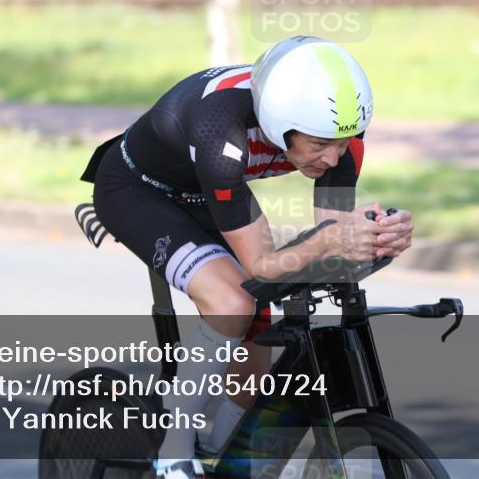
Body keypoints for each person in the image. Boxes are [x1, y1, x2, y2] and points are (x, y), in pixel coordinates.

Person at [80, 35, 414, 479]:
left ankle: (225, 454)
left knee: (259, 319)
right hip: (137, 192)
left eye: (344, 141)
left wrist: (376, 240)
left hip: (206, 191)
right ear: (280, 126)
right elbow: (263, 264)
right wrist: (332, 239)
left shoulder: (338, 135)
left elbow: (330, 246)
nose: (334, 156)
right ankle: (173, 451)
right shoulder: (221, 130)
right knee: (233, 302)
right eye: (318, 145)